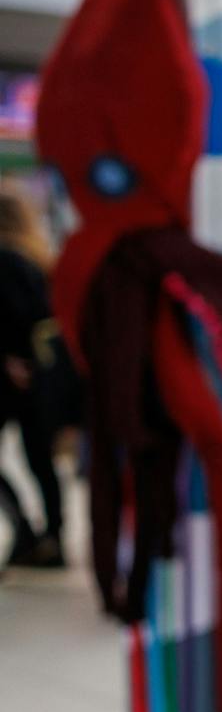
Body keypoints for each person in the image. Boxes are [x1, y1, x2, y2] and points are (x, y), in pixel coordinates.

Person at [0, 184, 64, 569]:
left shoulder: (5, 259)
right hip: (43, 375)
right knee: (40, 459)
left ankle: (24, 527)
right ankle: (53, 535)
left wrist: (12, 357)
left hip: (10, 375)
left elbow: (11, 315)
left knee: (34, 457)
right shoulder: (40, 258)